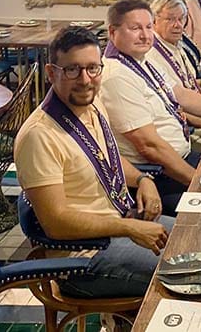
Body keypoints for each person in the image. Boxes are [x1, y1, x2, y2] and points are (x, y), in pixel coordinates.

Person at [13, 26, 174, 298]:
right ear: (52, 73)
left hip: (119, 221)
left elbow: (107, 156)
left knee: (195, 238)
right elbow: (56, 223)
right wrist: (129, 227)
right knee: (183, 275)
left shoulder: (93, 104)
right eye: (72, 70)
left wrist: (142, 180)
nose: (85, 79)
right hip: (81, 258)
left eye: (92, 68)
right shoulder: (39, 135)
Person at [99, 0, 201, 215]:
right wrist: (199, 184)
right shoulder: (116, 76)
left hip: (182, 159)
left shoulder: (141, 61)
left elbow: (182, 94)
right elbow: (150, 146)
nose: (146, 35)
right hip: (161, 177)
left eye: (147, 27)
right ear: (112, 32)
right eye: (135, 28)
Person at [149, 0, 201, 137]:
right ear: (154, 21)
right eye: (170, 19)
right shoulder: (151, 53)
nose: (177, 25)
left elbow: (192, 86)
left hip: (197, 114)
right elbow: (170, 104)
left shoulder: (176, 44)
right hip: (183, 128)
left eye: (181, 19)